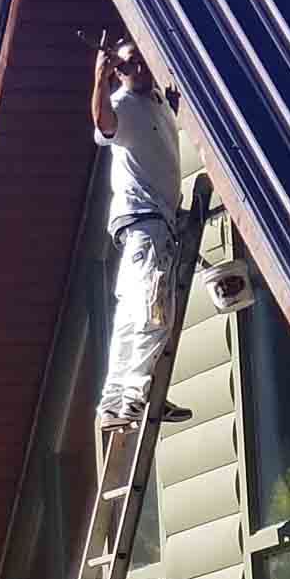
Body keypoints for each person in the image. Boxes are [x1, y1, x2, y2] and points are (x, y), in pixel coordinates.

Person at [92, 37, 193, 431]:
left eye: (141, 61)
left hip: (151, 222)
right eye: (129, 65)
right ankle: (137, 395)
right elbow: (102, 124)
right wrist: (99, 78)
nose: (140, 69)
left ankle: (115, 402)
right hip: (145, 222)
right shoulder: (121, 104)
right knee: (154, 311)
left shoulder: (157, 101)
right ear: (118, 72)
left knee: (132, 316)